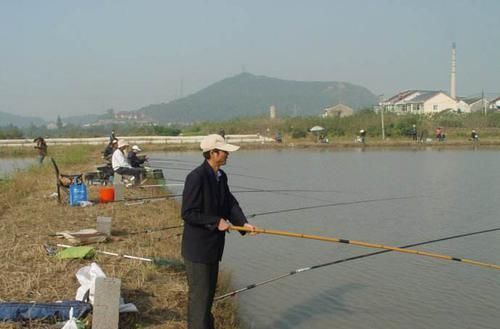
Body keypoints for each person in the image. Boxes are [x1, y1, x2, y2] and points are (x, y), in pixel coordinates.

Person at [181, 134, 257, 329]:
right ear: (213, 153)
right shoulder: (196, 177)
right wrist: (216, 222)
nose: (228, 154)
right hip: (198, 250)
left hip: (213, 248)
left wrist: (244, 224)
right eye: (225, 151)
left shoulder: (221, 177)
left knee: (208, 296)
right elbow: (188, 213)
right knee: (200, 298)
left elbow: (229, 203)